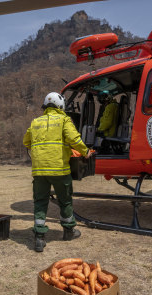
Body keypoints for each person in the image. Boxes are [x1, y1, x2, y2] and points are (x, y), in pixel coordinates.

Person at [23, 92, 92, 252]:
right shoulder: (64, 120)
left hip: (39, 172)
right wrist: (85, 151)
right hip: (60, 170)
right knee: (65, 201)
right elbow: (74, 139)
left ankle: (39, 238)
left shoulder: (35, 122)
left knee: (40, 202)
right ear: (60, 106)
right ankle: (69, 231)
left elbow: (26, 141)